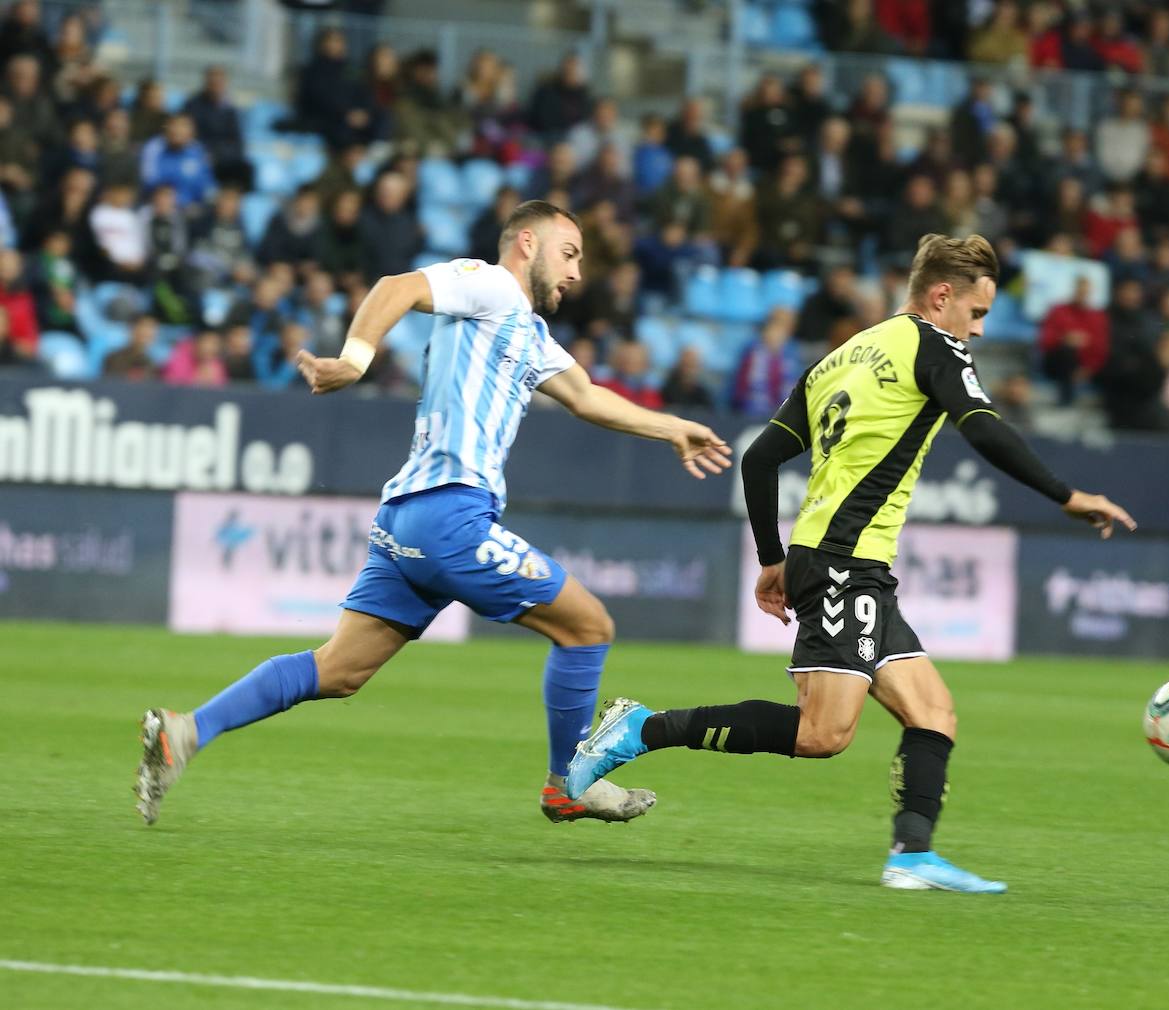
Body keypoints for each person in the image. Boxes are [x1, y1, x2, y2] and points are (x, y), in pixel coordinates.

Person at [564, 234, 1135, 893]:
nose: (976, 332)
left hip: (834, 560)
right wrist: (1068, 496)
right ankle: (642, 728)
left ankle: (912, 855)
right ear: (941, 297)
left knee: (933, 713)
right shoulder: (934, 345)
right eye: (976, 315)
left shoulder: (845, 354)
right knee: (822, 732)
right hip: (844, 563)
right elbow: (981, 425)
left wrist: (773, 558)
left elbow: (759, 459)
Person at [134, 200, 733, 828]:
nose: (577, 273)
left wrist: (672, 429)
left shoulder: (527, 334)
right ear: (527, 243)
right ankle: (568, 783)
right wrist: (358, 359)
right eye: (570, 253)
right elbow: (398, 287)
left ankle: (186, 731)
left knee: (337, 670)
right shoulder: (493, 285)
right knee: (588, 627)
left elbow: (586, 396)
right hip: (451, 516)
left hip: (406, 519)